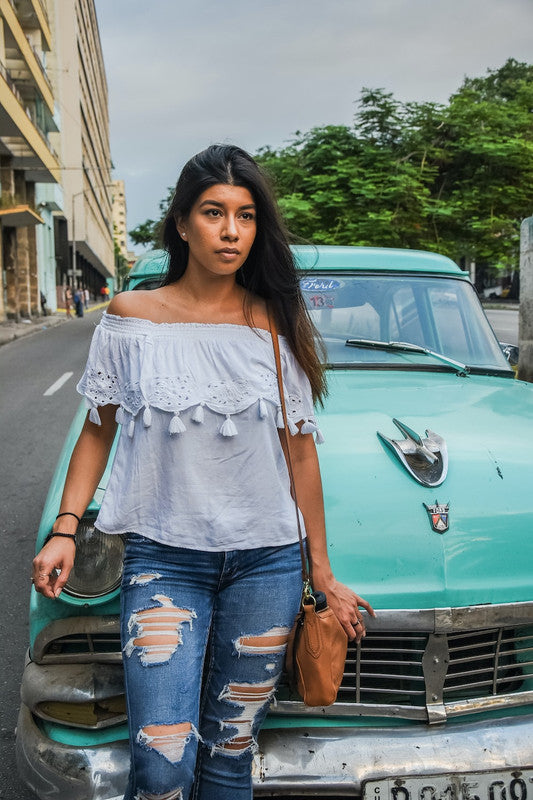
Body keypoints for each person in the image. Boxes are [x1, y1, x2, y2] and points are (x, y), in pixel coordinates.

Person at [32, 145, 374, 800]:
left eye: (245, 216)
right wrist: (65, 529)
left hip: (266, 566)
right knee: (161, 761)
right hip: (165, 563)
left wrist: (320, 571)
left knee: (229, 751)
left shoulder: (273, 323)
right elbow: (97, 431)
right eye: (214, 213)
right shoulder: (132, 319)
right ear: (182, 222)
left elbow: (300, 452)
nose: (231, 231)